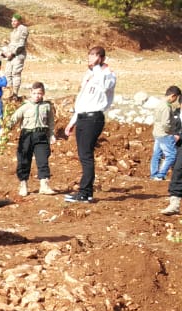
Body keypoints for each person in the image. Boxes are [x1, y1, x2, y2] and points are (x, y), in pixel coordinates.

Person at [63, 46, 116, 204]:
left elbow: (105, 85)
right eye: (89, 56)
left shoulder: (108, 74)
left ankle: (84, 192)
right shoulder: (89, 74)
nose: (90, 59)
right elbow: (83, 100)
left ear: (101, 58)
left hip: (93, 118)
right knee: (83, 155)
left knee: (86, 155)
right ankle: (86, 192)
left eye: (94, 56)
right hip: (82, 117)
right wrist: (72, 121)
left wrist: (98, 67)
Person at [7, 82, 59, 196]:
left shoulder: (47, 106)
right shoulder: (25, 106)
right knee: (24, 160)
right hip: (27, 135)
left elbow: (51, 122)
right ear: (31, 93)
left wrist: (51, 135)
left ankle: (44, 185)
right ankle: (23, 184)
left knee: (43, 160)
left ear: (43, 93)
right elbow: (14, 118)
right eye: (34, 93)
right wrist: (6, 128)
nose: (37, 96)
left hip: (41, 136)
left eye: (39, 93)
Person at [149, 86, 181, 181]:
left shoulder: (160, 104)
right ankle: (160, 175)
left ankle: (154, 175)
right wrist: (170, 132)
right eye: (176, 98)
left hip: (157, 133)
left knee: (157, 154)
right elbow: (166, 123)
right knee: (171, 155)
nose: (175, 100)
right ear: (173, 96)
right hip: (164, 134)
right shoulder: (166, 107)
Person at [2, 14, 30, 101]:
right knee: (7, 73)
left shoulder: (23, 29)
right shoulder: (13, 31)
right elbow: (12, 43)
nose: (12, 22)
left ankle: (15, 94)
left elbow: (21, 44)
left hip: (18, 55)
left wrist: (12, 53)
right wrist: (6, 51)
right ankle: (9, 93)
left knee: (15, 73)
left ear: (19, 21)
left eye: (14, 21)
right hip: (10, 56)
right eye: (12, 21)